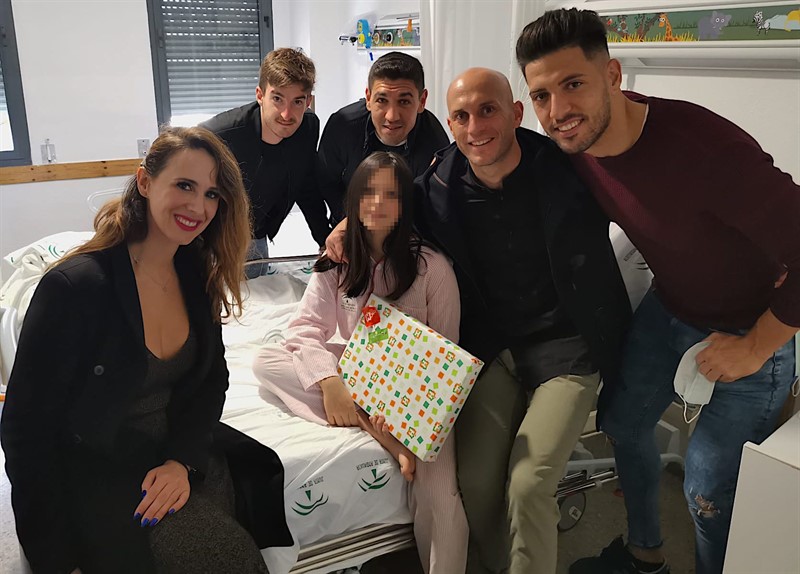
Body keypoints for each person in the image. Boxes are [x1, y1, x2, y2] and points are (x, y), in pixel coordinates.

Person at [515, 9, 800, 574]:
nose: (558, 111)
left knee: (707, 492)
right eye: (541, 95)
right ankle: (645, 557)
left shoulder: (705, 149)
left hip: (753, 325)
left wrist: (756, 346)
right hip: (671, 307)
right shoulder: (576, 151)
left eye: (573, 85)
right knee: (621, 425)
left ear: (613, 74)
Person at [326, 69, 631, 574]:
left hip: (565, 349)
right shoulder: (439, 185)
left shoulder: (567, 171)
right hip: (492, 350)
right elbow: (388, 205)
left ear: (515, 113)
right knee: (475, 480)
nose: (475, 127)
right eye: (461, 116)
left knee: (528, 483)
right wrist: (345, 225)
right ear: (448, 123)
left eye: (488, 110)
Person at [1, 127, 292, 573]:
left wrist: (181, 460)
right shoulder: (76, 289)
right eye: (184, 185)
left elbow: (211, 380)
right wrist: (54, 560)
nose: (198, 207)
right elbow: (26, 431)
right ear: (144, 181)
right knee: (227, 558)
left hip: (182, 457)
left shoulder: (196, 275)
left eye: (212, 194)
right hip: (108, 471)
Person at [254, 152, 469, 574]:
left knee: (440, 496)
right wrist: (330, 382)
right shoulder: (336, 262)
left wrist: (403, 413)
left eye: (391, 195)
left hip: (415, 395)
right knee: (267, 361)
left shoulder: (432, 269)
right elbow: (304, 328)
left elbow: (445, 359)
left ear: (405, 204)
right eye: (368, 192)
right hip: (356, 377)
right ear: (352, 200)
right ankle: (373, 428)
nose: (377, 204)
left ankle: (379, 430)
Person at [202, 48, 331, 277]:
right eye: (277, 98)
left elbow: (306, 187)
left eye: (297, 101)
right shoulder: (219, 134)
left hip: (257, 234)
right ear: (260, 95)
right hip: (212, 233)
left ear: (308, 102)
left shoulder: (308, 128)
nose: (286, 114)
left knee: (257, 291)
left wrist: (325, 239)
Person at [317, 51, 449, 223]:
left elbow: (432, 203)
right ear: (368, 98)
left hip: (408, 227)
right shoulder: (343, 126)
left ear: (422, 101)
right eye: (381, 100)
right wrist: (352, 224)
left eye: (404, 102)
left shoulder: (435, 143)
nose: (392, 116)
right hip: (349, 222)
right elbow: (326, 182)